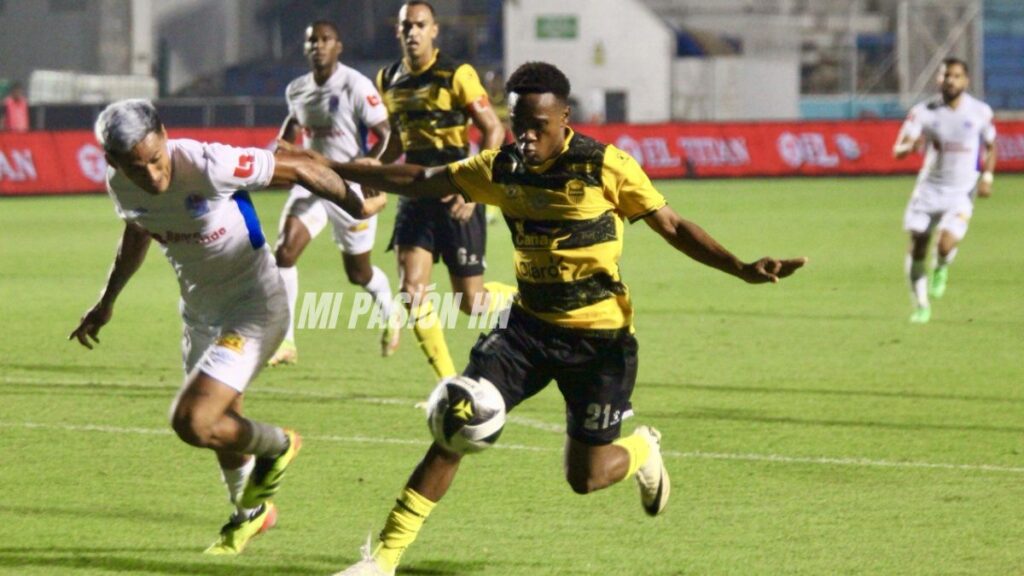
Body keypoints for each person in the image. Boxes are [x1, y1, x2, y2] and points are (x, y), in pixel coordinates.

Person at [323, 62, 806, 576]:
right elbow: (419, 179)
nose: (526, 138)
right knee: (456, 424)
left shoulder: (605, 166)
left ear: (565, 118)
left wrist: (741, 268)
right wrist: (335, 166)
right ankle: (383, 562)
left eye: (539, 126)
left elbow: (671, 224)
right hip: (527, 331)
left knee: (587, 477)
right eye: (518, 125)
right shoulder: (500, 166)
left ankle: (642, 449)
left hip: (600, 342)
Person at [69, 99, 373, 555]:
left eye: (156, 159)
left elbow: (299, 169)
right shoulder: (121, 185)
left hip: (254, 307)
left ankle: (278, 446)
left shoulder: (210, 163)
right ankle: (250, 514)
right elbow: (137, 232)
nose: (152, 176)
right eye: (136, 168)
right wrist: (106, 301)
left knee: (194, 419)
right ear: (113, 163)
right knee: (220, 427)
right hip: (199, 314)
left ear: (166, 136)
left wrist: (357, 203)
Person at [376, 0, 515, 382]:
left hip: (455, 190)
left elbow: (494, 130)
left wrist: (475, 189)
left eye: (420, 25)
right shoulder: (387, 78)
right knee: (411, 288)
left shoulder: (457, 74)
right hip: (415, 195)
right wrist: (371, 173)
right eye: (407, 25)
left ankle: (524, 300)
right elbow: (393, 144)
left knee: (470, 302)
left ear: (434, 30)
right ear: (398, 30)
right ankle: (448, 383)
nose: (413, 32)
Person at [267, 20, 396, 366]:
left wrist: (372, 164)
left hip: (348, 186)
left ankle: (390, 312)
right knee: (284, 252)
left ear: (338, 46)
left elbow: (385, 132)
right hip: (311, 181)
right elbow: (293, 126)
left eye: (325, 40)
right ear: (305, 47)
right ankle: (286, 342)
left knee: (359, 273)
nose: (318, 46)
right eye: (312, 40)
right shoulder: (296, 89)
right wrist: (280, 151)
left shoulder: (355, 85)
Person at [893, 57, 996, 324]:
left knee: (945, 242)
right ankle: (921, 305)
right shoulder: (923, 112)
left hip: (962, 191)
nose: (950, 80)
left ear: (966, 80)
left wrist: (987, 176)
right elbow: (898, 150)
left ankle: (941, 266)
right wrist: (910, 147)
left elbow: (991, 146)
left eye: (956, 75)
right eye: (945, 75)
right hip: (928, 190)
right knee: (918, 247)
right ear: (938, 79)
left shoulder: (980, 112)